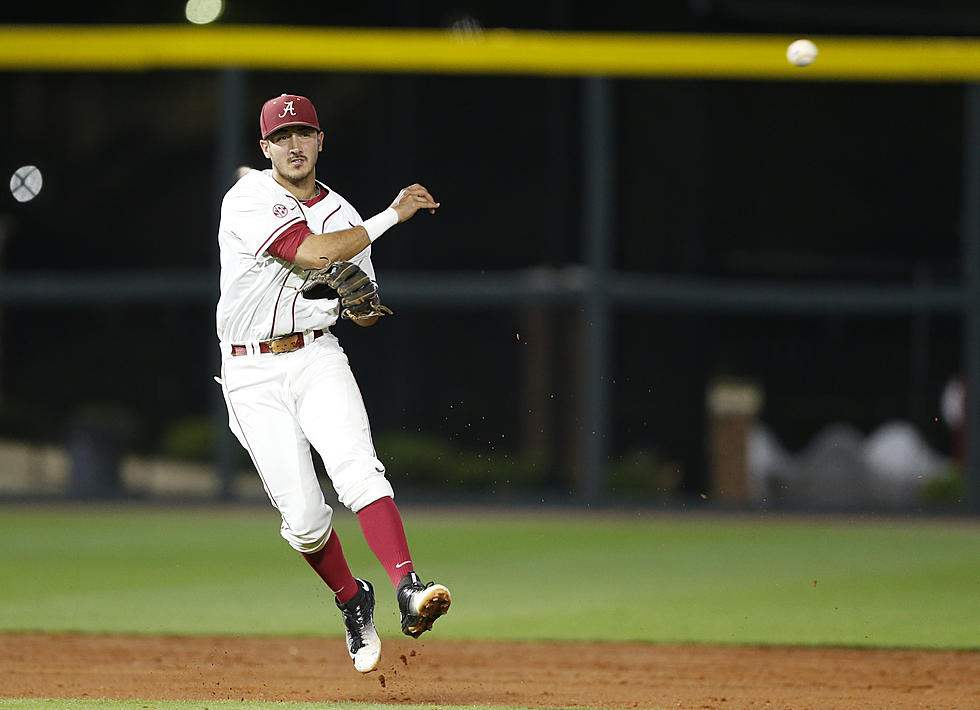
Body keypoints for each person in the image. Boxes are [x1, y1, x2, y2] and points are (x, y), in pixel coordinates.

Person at [215, 93, 450, 673]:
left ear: (321, 141)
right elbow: (312, 250)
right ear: (265, 148)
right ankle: (352, 596)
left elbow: (363, 312)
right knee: (304, 520)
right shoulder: (248, 198)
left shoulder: (344, 213)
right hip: (251, 372)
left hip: (317, 358)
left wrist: (363, 304)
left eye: (304, 134)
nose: (294, 146)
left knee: (357, 467)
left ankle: (407, 586)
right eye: (281, 137)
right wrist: (391, 216)